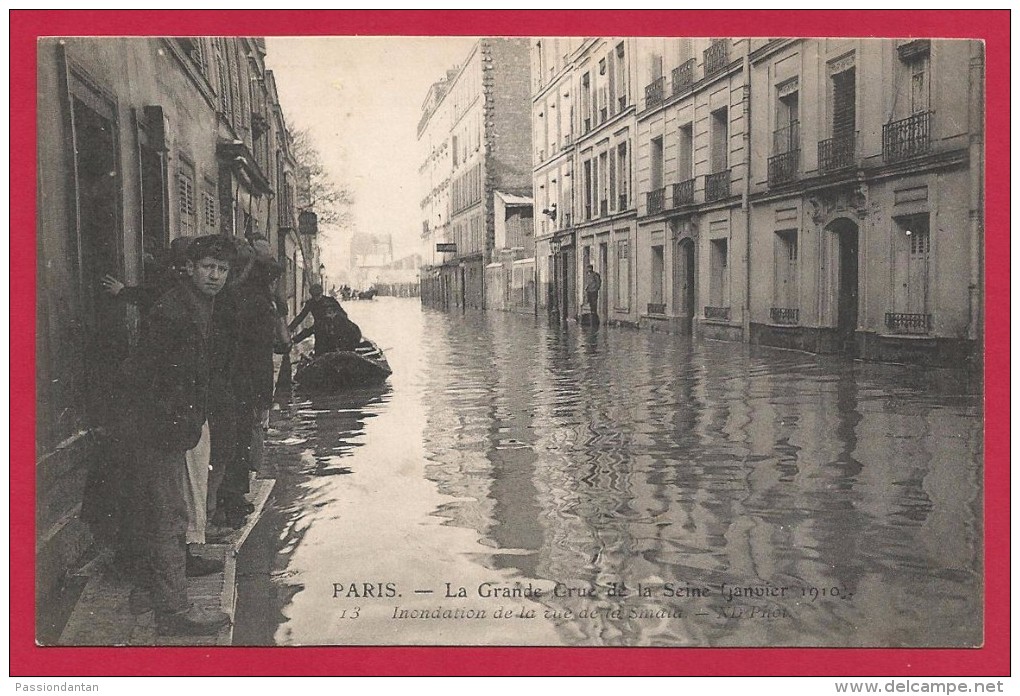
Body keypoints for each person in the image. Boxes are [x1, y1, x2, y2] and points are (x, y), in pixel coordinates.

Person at [118, 234, 235, 636]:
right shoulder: (175, 311)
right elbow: (148, 374)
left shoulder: (195, 304)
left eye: (222, 269)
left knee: (168, 510)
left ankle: (157, 589)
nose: (215, 276)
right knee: (170, 515)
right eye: (208, 267)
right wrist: (175, 423)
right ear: (190, 268)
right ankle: (173, 612)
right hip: (158, 427)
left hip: (169, 424)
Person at [289, 283, 362, 356]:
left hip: (336, 334)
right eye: (314, 296)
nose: (316, 298)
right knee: (320, 350)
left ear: (321, 293)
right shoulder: (311, 304)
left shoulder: (331, 302)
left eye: (318, 295)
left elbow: (345, 317)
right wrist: (291, 330)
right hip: (321, 333)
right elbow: (301, 317)